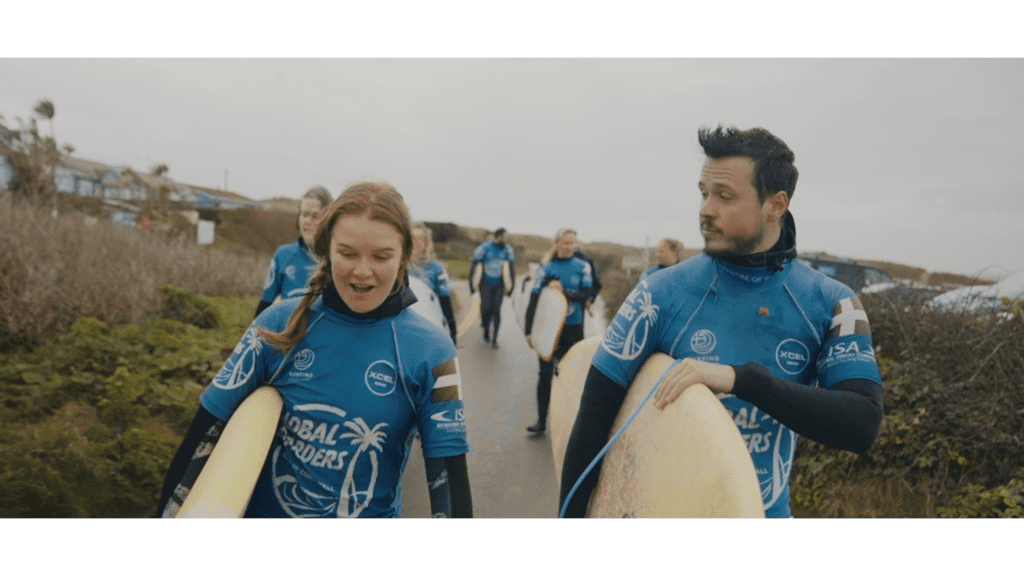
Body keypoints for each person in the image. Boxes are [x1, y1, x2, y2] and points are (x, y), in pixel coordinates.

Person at [559, 126, 883, 518]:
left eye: (725, 197)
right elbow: (592, 422)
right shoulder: (659, 293)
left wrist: (743, 381)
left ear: (775, 205)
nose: (706, 209)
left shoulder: (832, 302)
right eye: (704, 193)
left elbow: (861, 424)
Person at [158, 181, 472, 519]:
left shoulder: (432, 351)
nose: (362, 271)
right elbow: (203, 433)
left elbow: (448, 479)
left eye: (381, 256)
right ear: (326, 248)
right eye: (347, 253)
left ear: (404, 256)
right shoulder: (280, 324)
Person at [524, 228, 595, 437]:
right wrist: (529, 329)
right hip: (549, 327)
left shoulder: (583, 267)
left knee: (571, 374)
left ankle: (572, 422)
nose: (568, 247)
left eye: (572, 243)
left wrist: (564, 292)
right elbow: (535, 299)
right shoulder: (546, 268)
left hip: (573, 328)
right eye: (564, 243)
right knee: (545, 375)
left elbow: (587, 295)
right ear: (557, 244)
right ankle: (541, 421)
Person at [255, 186, 333, 318]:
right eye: (304, 214)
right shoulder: (283, 254)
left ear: (327, 220)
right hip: (288, 334)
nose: (308, 221)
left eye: (315, 216)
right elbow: (265, 305)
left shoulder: (337, 258)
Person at [411, 222, 459, 345]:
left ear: (426, 244)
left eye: (418, 239)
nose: (413, 243)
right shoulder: (397, 266)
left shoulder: (437, 268)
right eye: (410, 238)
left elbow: (445, 299)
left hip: (430, 325)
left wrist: (452, 331)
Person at [469, 227, 516, 348]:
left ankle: (495, 338)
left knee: (496, 311)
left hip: (499, 285)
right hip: (485, 284)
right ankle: (485, 330)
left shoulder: (508, 250)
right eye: (504, 237)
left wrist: (511, 287)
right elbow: (474, 263)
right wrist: (471, 284)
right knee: (486, 309)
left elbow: (511, 269)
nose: (506, 239)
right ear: (498, 236)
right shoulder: (484, 247)